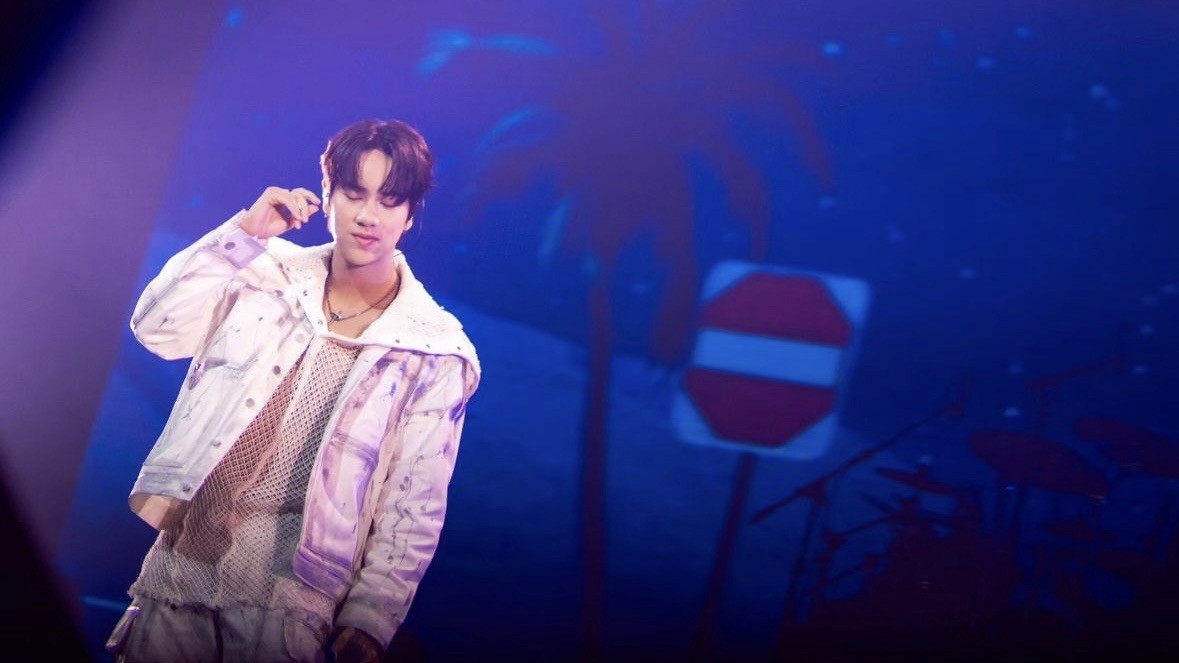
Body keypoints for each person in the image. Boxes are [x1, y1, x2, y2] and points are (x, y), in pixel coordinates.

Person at [106, 119, 480, 662]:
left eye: (389, 200)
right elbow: (157, 327)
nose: (368, 215)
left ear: (410, 213)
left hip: (291, 598)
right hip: (180, 566)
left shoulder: (434, 348)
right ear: (327, 193)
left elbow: (414, 501)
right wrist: (245, 235)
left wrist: (372, 617)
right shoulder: (264, 272)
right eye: (353, 194)